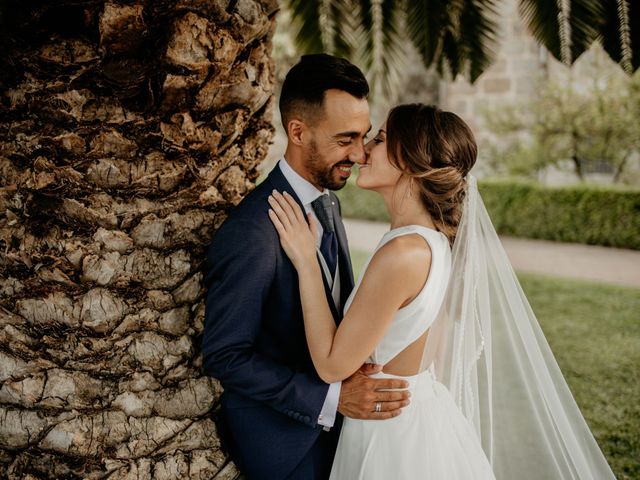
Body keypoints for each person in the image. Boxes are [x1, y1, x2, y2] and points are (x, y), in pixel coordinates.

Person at [268, 104, 616, 479]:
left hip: (391, 435)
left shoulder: (403, 253)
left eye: (381, 139)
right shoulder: (433, 243)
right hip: (416, 414)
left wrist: (306, 262)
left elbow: (332, 365)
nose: (362, 149)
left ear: (414, 161)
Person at [201, 54, 411, 480]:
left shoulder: (328, 201)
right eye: (345, 139)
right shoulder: (254, 229)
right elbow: (226, 355)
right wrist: (331, 398)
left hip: (343, 430)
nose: (358, 153)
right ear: (297, 131)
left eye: (364, 136)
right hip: (287, 444)